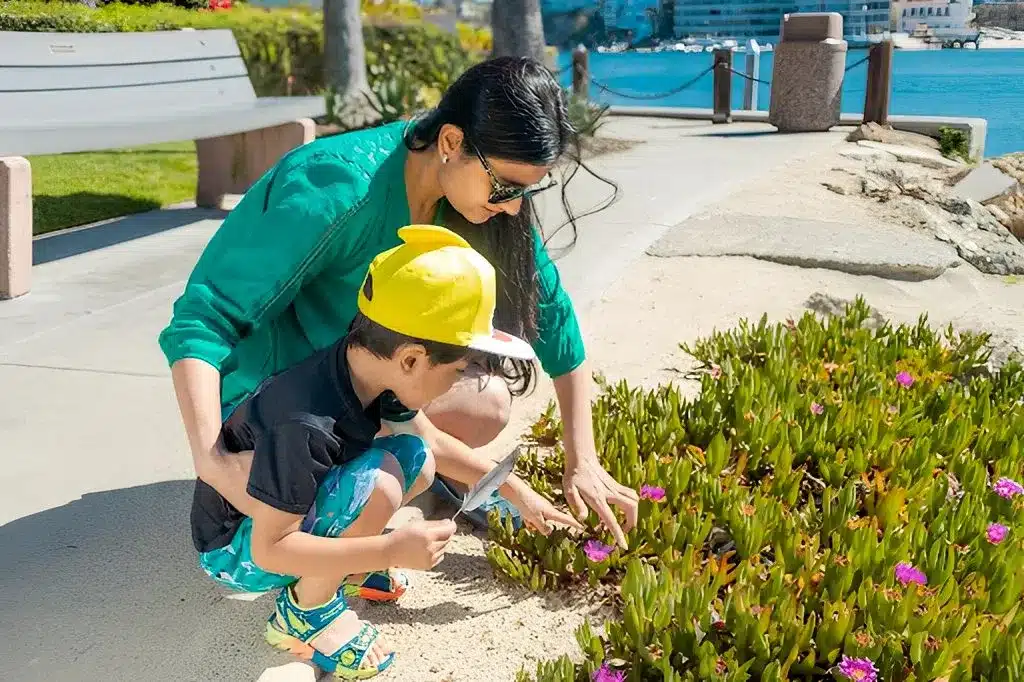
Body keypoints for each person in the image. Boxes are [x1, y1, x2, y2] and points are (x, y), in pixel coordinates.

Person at [159, 55, 638, 566]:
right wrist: (213, 459)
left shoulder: (481, 205)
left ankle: (366, 503)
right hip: (282, 404)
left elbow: (557, 322)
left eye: (528, 191)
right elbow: (202, 321)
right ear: (451, 143)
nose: (515, 207)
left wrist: (580, 459)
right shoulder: (335, 185)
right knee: (376, 477)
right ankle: (338, 551)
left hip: (359, 387)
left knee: (484, 403)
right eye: (506, 188)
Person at [192, 225, 582, 678]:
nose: (460, 381)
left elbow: (433, 442)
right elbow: (272, 549)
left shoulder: (367, 369)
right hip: (237, 550)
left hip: (287, 518)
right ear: (412, 359)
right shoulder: (306, 425)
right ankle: (305, 612)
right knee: (379, 480)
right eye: (460, 368)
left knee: (417, 457)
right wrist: (387, 549)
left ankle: (343, 573)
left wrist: (514, 488)